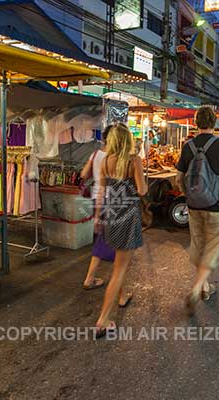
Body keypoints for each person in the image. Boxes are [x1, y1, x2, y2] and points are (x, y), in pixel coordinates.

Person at [176, 107, 219, 314]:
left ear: (195, 122)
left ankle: (204, 287)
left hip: (194, 206)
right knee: (212, 249)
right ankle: (197, 287)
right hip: (216, 206)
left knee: (199, 245)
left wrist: (188, 196)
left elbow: (178, 178)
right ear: (214, 123)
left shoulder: (188, 145)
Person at [94, 124, 147, 336]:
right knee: (119, 268)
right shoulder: (134, 161)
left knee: (120, 261)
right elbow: (142, 190)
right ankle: (103, 319)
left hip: (111, 214)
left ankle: (122, 296)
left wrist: (98, 216)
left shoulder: (105, 161)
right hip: (128, 216)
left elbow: (101, 192)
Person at [80, 127, 114, 290]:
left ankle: (115, 282)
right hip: (108, 199)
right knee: (106, 240)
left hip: (96, 198)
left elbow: (83, 174)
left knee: (106, 239)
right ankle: (90, 278)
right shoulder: (113, 158)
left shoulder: (95, 154)